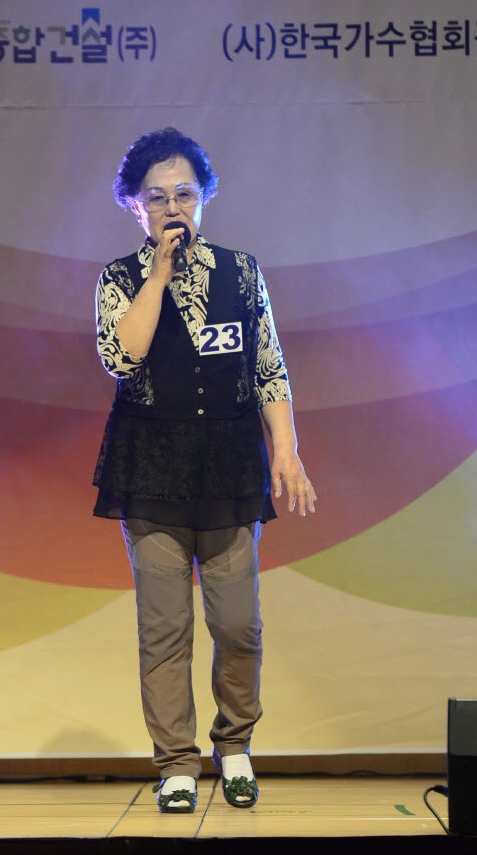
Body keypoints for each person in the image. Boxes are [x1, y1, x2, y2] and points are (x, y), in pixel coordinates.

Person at [93, 127, 316, 813]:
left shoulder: (241, 272)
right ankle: (176, 764)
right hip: (152, 467)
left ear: (205, 198)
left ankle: (235, 746)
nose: (173, 208)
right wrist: (160, 274)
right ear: (135, 206)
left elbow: (268, 366)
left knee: (237, 623)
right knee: (165, 629)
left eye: (184, 194)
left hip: (228, 466)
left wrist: (286, 451)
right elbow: (121, 358)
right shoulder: (119, 278)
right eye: (157, 197)